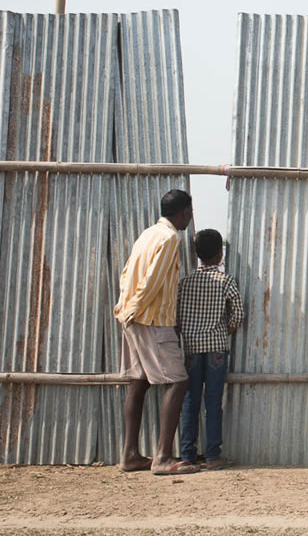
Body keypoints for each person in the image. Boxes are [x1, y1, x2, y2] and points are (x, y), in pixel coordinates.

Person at [114, 189, 198, 475]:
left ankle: (130, 455)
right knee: (178, 381)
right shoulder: (170, 238)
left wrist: (124, 309)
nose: (190, 217)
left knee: (139, 382)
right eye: (189, 212)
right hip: (150, 318)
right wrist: (134, 308)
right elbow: (153, 281)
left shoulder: (147, 234)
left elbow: (126, 272)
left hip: (134, 318)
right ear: (184, 211)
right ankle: (162, 457)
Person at [176, 228, 245, 471]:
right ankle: (213, 455)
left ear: (197, 254)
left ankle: (187, 454)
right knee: (213, 402)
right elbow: (238, 314)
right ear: (220, 255)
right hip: (216, 347)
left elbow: (178, 316)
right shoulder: (225, 281)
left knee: (189, 400)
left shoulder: (185, 282)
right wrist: (226, 329)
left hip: (192, 348)